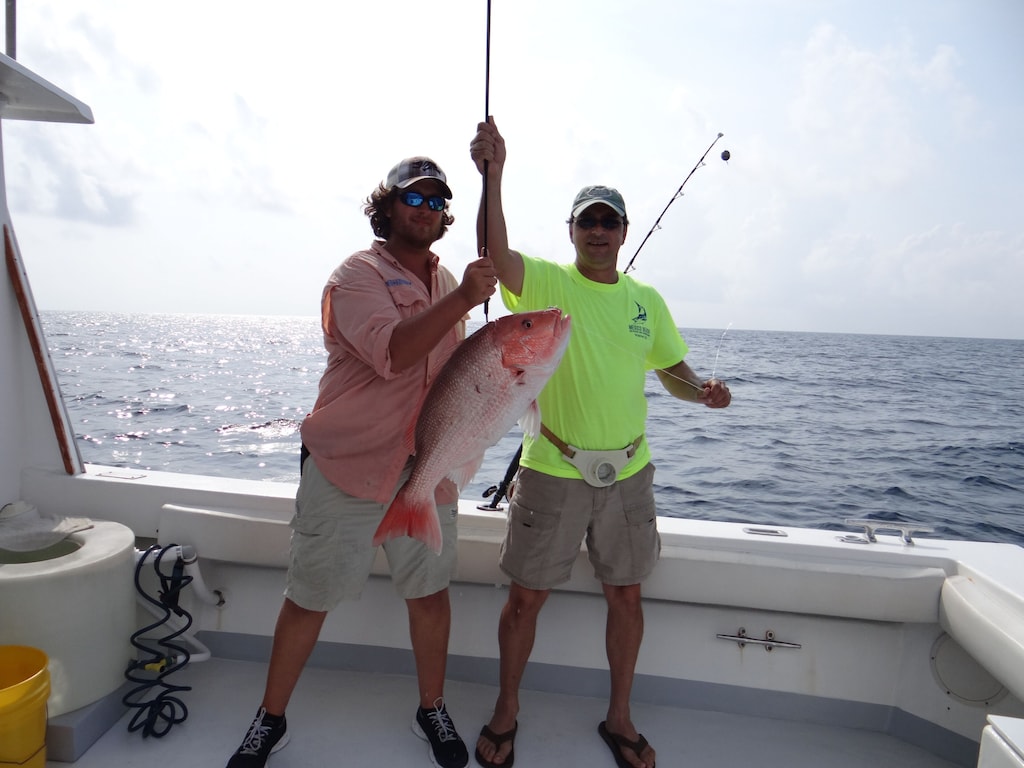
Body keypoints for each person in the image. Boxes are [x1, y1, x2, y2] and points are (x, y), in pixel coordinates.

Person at [468, 120, 732, 768]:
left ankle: (618, 718)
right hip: (551, 469)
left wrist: (702, 390)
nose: (598, 231)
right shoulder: (550, 283)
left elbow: (672, 371)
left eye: (608, 222)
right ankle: (507, 711)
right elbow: (495, 255)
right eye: (587, 221)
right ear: (571, 230)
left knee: (627, 595)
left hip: (630, 472)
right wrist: (493, 175)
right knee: (525, 598)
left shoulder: (647, 300)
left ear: (623, 230)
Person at [224, 156, 497, 768]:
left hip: (426, 468)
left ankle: (432, 707)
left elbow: (454, 379)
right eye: (414, 198)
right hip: (348, 467)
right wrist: (461, 300)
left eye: (436, 201)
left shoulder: (446, 277)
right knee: (309, 597)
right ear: (388, 205)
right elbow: (395, 354)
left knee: (429, 594)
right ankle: (269, 720)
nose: (426, 210)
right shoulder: (356, 275)